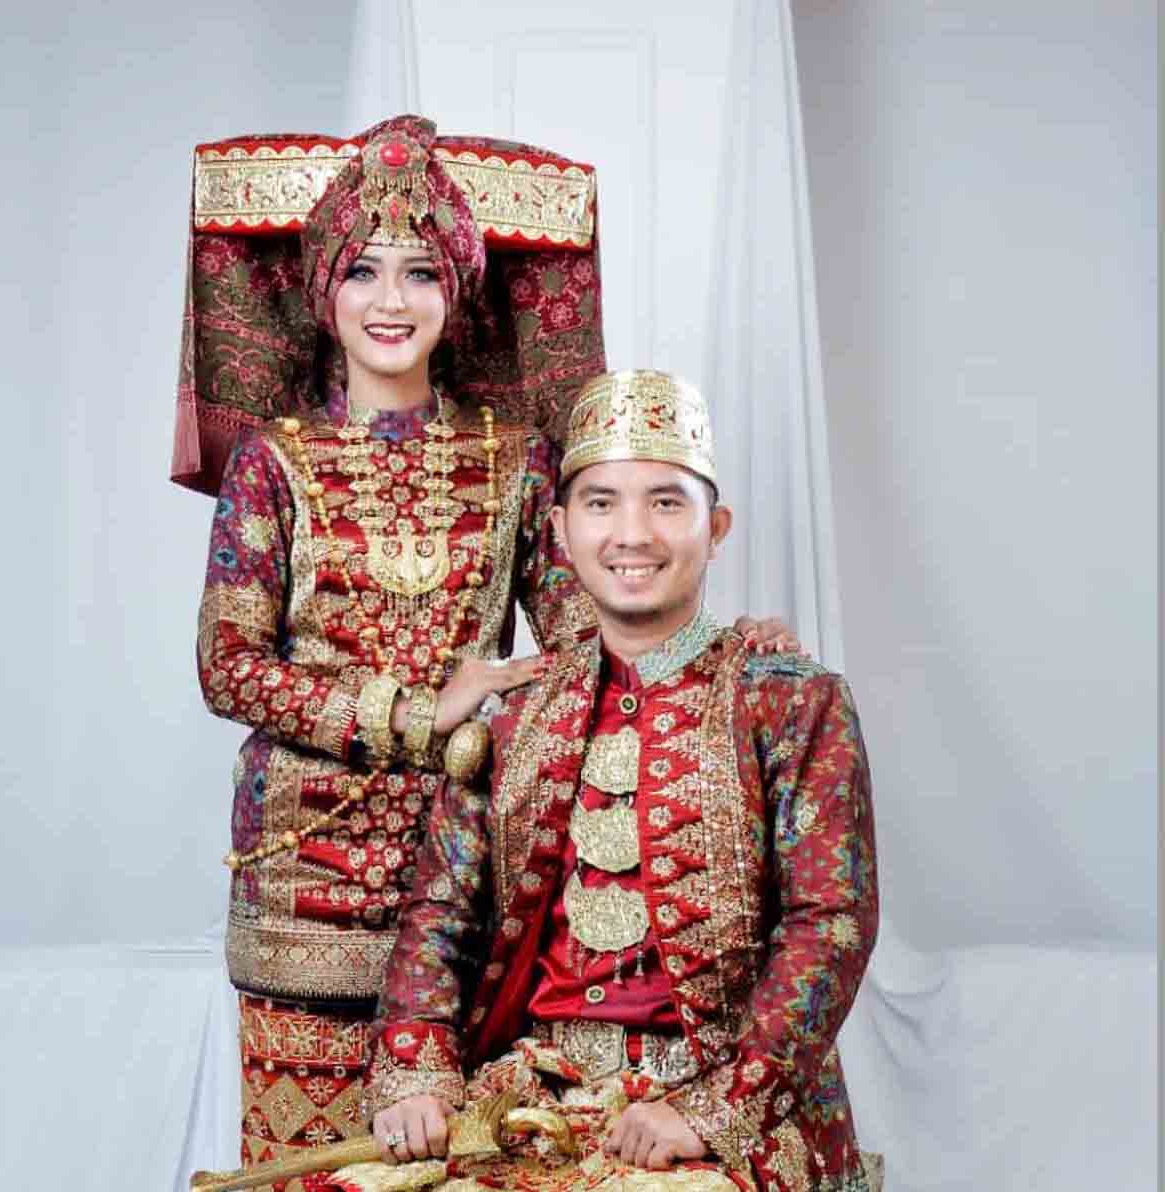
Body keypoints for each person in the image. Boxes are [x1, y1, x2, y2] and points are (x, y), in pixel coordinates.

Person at [189, 116, 801, 1172]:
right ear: (323, 289)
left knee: (474, 1160)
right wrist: (411, 711)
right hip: (307, 884)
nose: (390, 300)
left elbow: (585, 631)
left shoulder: (516, 459)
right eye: (363, 270)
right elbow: (227, 665)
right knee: (313, 1175)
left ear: (458, 291)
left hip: (481, 876)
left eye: (421, 272)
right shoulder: (272, 464)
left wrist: (719, 649)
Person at [361, 370, 881, 1191]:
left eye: (666, 503)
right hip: (534, 1091)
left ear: (716, 528)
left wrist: (713, 1108)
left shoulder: (791, 701)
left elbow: (830, 926)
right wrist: (417, 1065)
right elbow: (439, 914)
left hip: (724, 1101)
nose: (632, 534)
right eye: (601, 504)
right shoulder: (517, 714)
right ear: (562, 533)